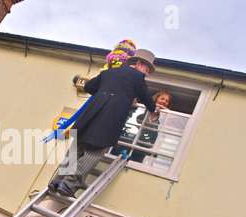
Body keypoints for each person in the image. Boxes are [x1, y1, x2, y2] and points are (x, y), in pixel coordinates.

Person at [49, 49, 163, 198]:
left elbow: (89, 87)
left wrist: (106, 91)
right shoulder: (137, 76)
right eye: (146, 70)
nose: (146, 74)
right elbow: (146, 97)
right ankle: (69, 184)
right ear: (139, 64)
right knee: (93, 153)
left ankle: (56, 181)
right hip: (109, 120)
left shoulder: (109, 73)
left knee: (76, 150)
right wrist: (154, 110)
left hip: (89, 116)